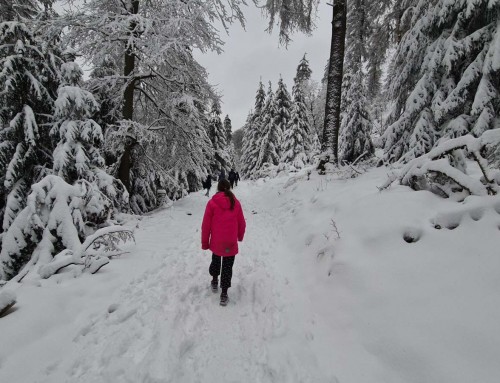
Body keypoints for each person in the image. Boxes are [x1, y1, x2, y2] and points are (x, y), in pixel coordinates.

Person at [201, 179, 246, 306]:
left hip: (217, 241)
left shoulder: (212, 203)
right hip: (230, 241)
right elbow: (242, 222)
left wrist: (205, 242)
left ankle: (214, 281)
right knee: (227, 266)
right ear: (229, 188)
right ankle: (224, 293)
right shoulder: (235, 203)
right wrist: (240, 236)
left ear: (218, 188)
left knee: (216, 259)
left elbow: (206, 225)